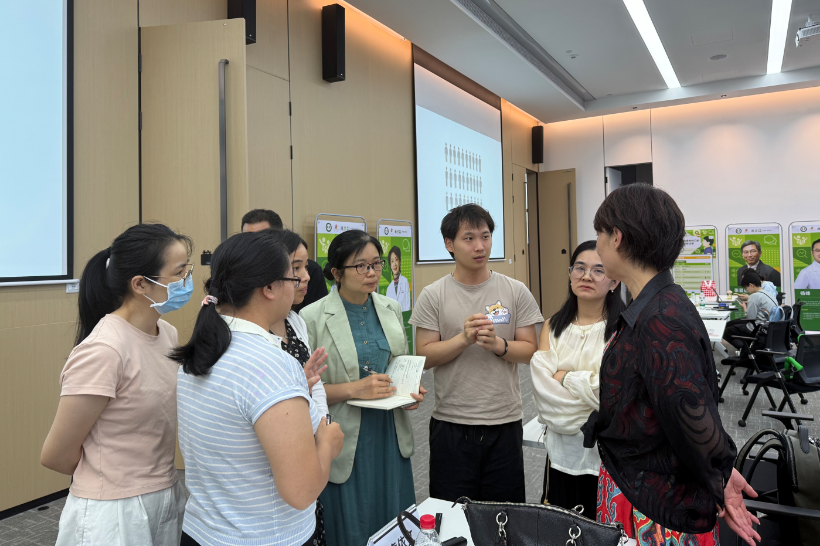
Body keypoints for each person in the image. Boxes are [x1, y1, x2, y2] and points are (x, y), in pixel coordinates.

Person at [583, 183, 760, 546]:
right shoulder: (655, 304)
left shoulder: (662, 318)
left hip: (656, 506)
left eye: (599, 233)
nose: (597, 244)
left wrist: (721, 471)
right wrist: (722, 471)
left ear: (617, 237)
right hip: (644, 487)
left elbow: (690, 411)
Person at [172, 231, 344, 546]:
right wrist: (328, 445)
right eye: (292, 277)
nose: (299, 283)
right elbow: (301, 491)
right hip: (264, 536)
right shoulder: (271, 364)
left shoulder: (201, 351)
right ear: (269, 288)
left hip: (203, 532)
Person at [41, 224, 193, 546]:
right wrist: (108, 476)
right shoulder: (104, 350)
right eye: (180, 273)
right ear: (140, 284)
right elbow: (56, 455)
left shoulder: (167, 333)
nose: (188, 281)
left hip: (164, 493)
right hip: (112, 511)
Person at [300, 229, 425, 546]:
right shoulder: (311, 317)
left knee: (395, 524)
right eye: (361, 266)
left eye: (376, 263)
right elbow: (304, 393)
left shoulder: (390, 308)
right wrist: (355, 389)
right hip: (343, 436)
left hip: (389, 433)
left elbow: (397, 364)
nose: (372, 273)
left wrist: (409, 392)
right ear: (337, 272)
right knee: (351, 526)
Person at [411, 204, 542, 503]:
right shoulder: (434, 294)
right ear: (449, 244)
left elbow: (530, 351)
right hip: (451, 423)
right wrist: (463, 339)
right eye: (469, 238)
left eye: (485, 236)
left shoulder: (515, 290)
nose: (480, 246)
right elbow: (424, 356)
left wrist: (499, 346)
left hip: (504, 422)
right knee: (452, 514)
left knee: (504, 516)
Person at [530, 240, 623, 518]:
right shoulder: (552, 326)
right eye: (579, 268)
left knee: (602, 530)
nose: (586, 276)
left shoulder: (624, 329)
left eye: (598, 270)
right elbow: (544, 398)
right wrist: (590, 396)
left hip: (606, 457)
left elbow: (615, 395)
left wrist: (566, 378)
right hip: (561, 454)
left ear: (614, 281)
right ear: (570, 274)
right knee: (559, 527)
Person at [267, 229, 330, 545]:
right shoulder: (252, 338)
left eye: (306, 266)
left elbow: (314, 383)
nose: (306, 277)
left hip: (309, 441)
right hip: (277, 461)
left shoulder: (295, 320)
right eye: (296, 268)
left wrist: (323, 428)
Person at [242, 208, 328, 311]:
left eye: (261, 238)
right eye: (246, 238)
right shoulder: (240, 271)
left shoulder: (311, 271)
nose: (253, 244)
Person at [723, 270, 779, 348]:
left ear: (751, 285)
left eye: (746, 288)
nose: (747, 291)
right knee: (733, 326)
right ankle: (748, 347)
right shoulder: (768, 293)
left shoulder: (754, 296)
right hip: (768, 326)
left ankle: (746, 350)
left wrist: (744, 307)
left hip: (757, 328)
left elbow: (749, 317)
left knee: (726, 331)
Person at [385, 245, 411, 311]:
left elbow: (408, 305)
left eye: (396, 260)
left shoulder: (405, 281)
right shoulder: (389, 288)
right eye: (392, 261)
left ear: (400, 261)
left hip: (404, 316)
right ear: (390, 265)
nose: (394, 264)